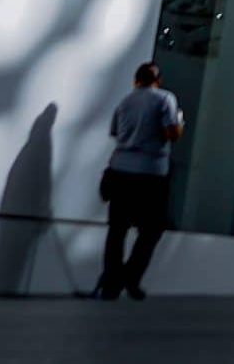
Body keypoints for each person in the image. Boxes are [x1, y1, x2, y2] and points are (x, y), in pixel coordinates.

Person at [93, 61, 184, 301]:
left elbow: (115, 133)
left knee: (117, 230)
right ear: (158, 80)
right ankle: (130, 277)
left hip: (120, 170)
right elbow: (172, 134)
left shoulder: (125, 101)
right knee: (152, 229)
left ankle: (111, 283)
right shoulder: (165, 99)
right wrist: (180, 123)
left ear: (136, 80)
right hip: (150, 174)